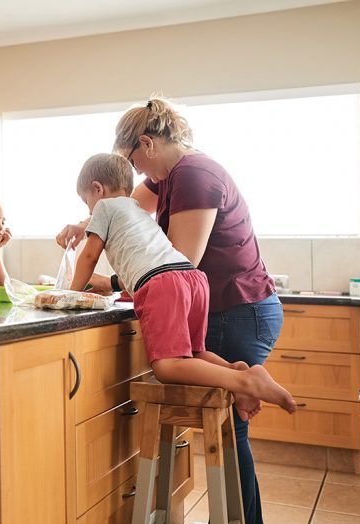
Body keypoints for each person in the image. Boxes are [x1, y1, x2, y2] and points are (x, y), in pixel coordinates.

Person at [57, 98, 286, 524]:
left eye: (135, 160)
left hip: (237, 308)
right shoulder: (169, 178)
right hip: (214, 300)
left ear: (147, 144)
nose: (137, 172)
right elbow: (125, 211)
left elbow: (181, 257)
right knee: (225, 415)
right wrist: (83, 225)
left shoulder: (193, 176)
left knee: (219, 415)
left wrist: (96, 285)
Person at [70, 153, 295, 419]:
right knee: (193, 354)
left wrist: (70, 294)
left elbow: (88, 256)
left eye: (86, 202)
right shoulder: (137, 211)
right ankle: (238, 372)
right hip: (193, 279)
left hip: (163, 284)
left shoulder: (104, 208)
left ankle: (245, 382)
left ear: (98, 188)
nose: (88, 210)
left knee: (167, 367)